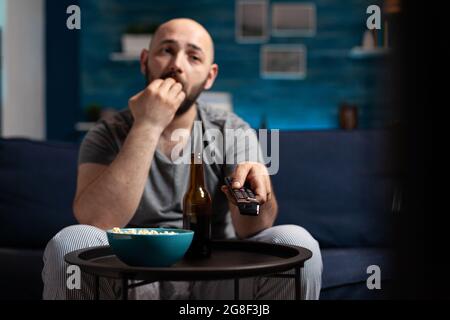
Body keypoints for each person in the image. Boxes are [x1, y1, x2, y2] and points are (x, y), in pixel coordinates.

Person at [42, 18, 322, 300]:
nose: (177, 64)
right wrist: (148, 125)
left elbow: (253, 228)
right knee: (71, 241)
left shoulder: (233, 131)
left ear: (209, 76)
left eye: (193, 56)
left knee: (297, 241)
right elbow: (96, 220)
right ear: (144, 61)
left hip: (218, 275)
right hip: (134, 274)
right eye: (166, 50)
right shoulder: (107, 133)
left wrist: (262, 197)